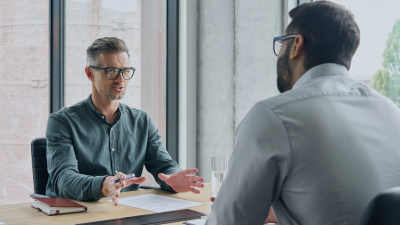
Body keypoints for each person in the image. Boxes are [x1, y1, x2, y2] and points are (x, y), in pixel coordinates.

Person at [206, 1, 400, 225]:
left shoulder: (273, 116)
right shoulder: (391, 111)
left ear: (296, 44)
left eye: (281, 45)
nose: (279, 55)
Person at [46, 37, 204, 205]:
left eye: (126, 71)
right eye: (112, 70)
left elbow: (163, 165)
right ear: (90, 73)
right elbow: (64, 180)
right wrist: (104, 184)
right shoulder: (62, 122)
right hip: (77, 216)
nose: (121, 79)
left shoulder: (141, 121)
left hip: (126, 214)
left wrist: (173, 177)